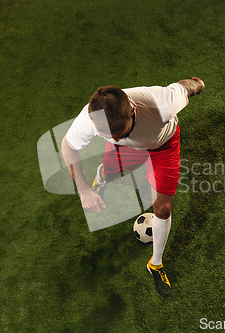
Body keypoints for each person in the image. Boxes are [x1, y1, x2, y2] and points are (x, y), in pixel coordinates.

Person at [61, 77, 205, 297]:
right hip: (126, 151)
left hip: (163, 146)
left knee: (163, 209)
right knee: (109, 173)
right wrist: (83, 190)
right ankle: (100, 180)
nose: (117, 137)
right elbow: (68, 147)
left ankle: (155, 264)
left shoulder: (161, 102)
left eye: (122, 133)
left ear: (132, 109)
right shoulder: (89, 119)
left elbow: (185, 87)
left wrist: (197, 85)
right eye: (111, 136)